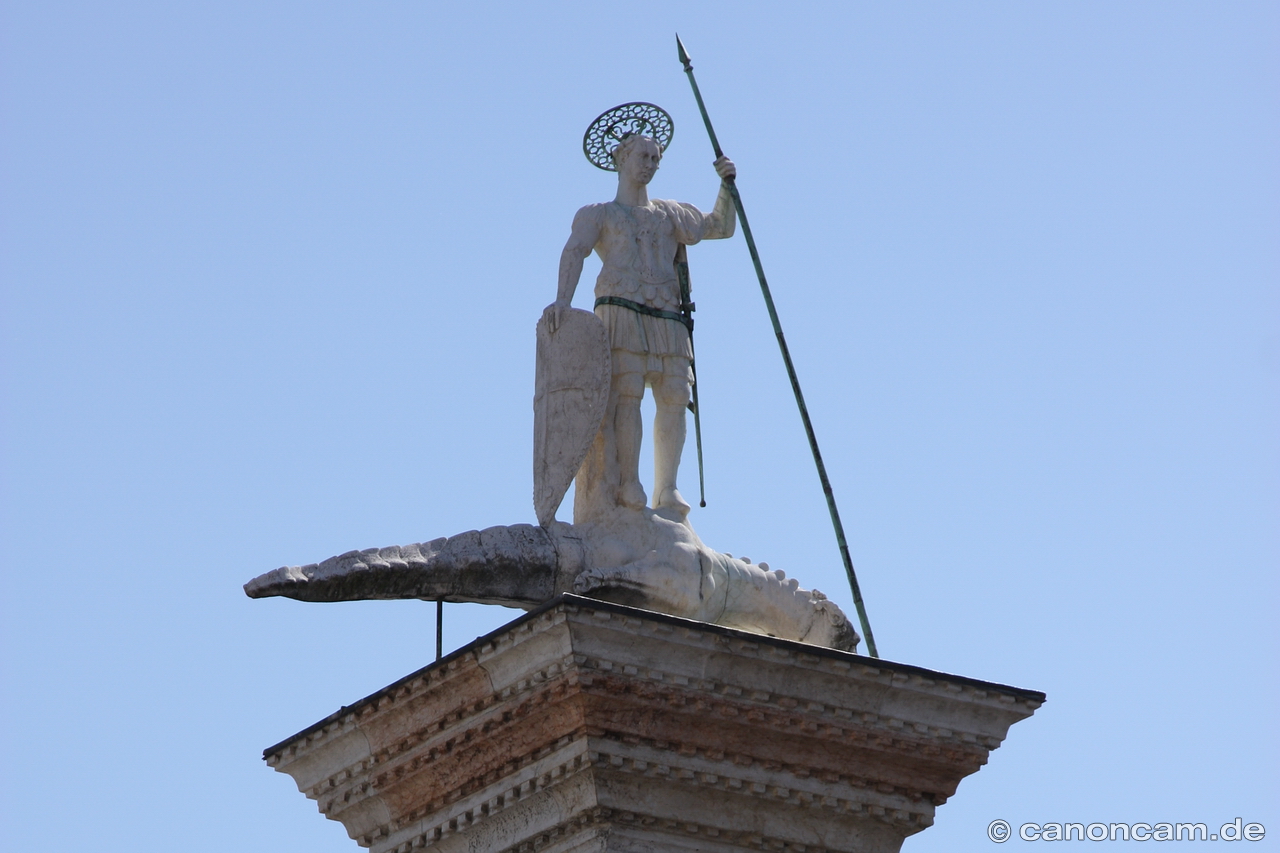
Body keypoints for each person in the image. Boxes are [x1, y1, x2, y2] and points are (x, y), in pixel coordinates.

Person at [545, 133, 736, 519]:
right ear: (621, 158)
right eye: (642, 156)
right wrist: (562, 300)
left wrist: (726, 185)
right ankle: (629, 482)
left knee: (675, 395)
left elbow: (721, 226)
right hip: (620, 307)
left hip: (667, 310)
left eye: (655, 157)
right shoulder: (598, 214)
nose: (649, 163)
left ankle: (667, 488)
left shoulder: (671, 214)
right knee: (628, 392)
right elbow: (575, 251)